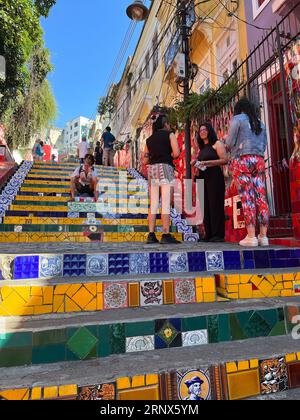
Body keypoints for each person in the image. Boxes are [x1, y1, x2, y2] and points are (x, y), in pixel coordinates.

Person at [226, 97, 270, 247]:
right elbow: (263, 145)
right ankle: (263, 236)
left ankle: (251, 236)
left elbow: (229, 142)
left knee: (248, 198)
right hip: (258, 160)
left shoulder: (238, 119)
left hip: (242, 160)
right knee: (261, 197)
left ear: (239, 108)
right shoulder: (260, 123)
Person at [143, 114, 181, 245]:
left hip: (152, 170)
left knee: (153, 202)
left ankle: (151, 234)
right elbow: (176, 153)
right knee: (165, 201)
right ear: (165, 124)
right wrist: (167, 154)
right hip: (165, 168)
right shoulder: (169, 134)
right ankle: (165, 234)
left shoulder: (149, 140)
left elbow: (145, 159)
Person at [192, 122, 228, 242]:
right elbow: (201, 164)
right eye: (200, 130)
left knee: (215, 205)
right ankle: (209, 234)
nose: (202, 131)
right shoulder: (201, 149)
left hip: (215, 178)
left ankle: (218, 235)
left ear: (209, 131)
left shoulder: (217, 144)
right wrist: (196, 167)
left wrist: (207, 163)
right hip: (203, 179)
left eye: (204, 129)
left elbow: (224, 160)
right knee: (205, 206)